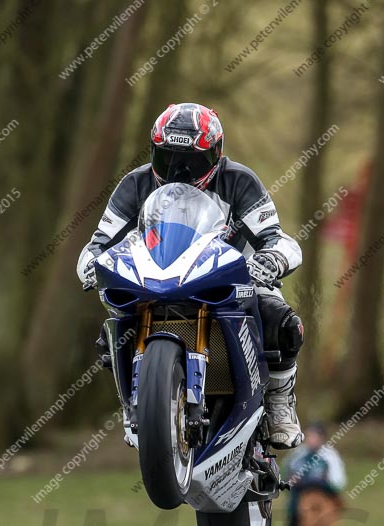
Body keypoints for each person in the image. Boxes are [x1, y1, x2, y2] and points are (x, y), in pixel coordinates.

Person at [77, 102, 305, 448]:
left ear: (215, 155)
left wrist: (271, 260)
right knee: (112, 328)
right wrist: (93, 265)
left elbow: (277, 238)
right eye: (167, 158)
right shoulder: (134, 185)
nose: (179, 170)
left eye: (192, 161)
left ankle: (278, 401)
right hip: (154, 277)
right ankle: (134, 404)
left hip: (231, 279)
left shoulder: (240, 181)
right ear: (153, 152)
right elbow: (100, 243)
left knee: (282, 321)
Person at [284, 421, 346, 526]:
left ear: (322, 438)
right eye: (308, 436)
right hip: (296, 506)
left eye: (314, 436)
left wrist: (315, 483)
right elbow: (287, 477)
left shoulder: (329, 456)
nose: (310, 439)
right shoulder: (298, 454)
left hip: (316, 508)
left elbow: (337, 484)